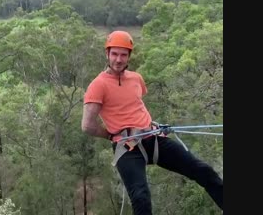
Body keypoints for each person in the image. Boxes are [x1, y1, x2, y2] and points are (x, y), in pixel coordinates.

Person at [81, 30, 223, 215]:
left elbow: (137, 104)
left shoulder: (136, 78)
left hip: (153, 138)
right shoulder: (98, 85)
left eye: (123, 55)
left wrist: (151, 124)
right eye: (114, 54)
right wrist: (111, 135)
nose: (118, 59)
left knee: (203, 171)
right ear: (107, 54)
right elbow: (87, 126)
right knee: (140, 197)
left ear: (129, 56)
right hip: (126, 147)